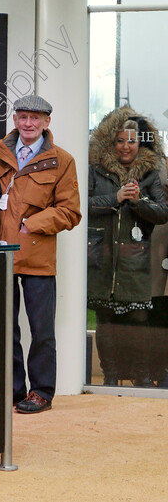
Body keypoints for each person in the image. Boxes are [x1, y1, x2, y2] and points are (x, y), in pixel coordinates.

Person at [0, 95, 81, 413]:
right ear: (14, 119)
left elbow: (70, 211)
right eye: (23, 117)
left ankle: (42, 391)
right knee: (6, 328)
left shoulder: (62, 160)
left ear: (46, 122)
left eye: (35, 118)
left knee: (42, 329)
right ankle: (14, 390)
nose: (28, 123)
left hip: (38, 258)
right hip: (1, 254)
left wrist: (33, 223)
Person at [87, 107, 168, 387]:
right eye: (120, 140)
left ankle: (141, 377)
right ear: (110, 142)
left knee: (138, 317)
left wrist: (138, 202)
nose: (125, 147)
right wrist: (116, 197)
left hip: (136, 259)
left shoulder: (150, 173)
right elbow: (81, 207)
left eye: (131, 141)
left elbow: (162, 212)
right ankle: (109, 376)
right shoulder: (94, 171)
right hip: (102, 258)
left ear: (140, 143)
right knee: (105, 318)